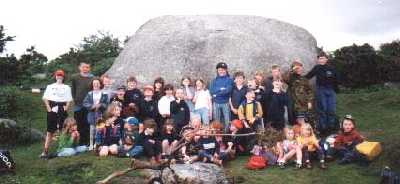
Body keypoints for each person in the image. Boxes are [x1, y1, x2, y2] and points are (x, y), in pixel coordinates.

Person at [40, 69, 73, 158]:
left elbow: (69, 99)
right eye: (58, 75)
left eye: (61, 75)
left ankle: (62, 148)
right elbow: (45, 98)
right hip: (52, 109)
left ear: (63, 77)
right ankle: (45, 150)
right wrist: (48, 108)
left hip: (62, 109)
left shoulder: (67, 87)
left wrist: (66, 107)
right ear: (55, 76)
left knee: (64, 129)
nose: (59, 77)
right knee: (50, 131)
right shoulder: (50, 86)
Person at [305, 52, 339, 134]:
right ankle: (323, 129)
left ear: (326, 59)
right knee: (322, 109)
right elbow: (308, 76)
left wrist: (335, 89)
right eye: (320, 58)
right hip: (321, 90)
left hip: (330, 90)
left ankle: (331, 127)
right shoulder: (317, 68)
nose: (321, 60)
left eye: (323, 58)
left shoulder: (331, 68)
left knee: (331, 109)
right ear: (318, 60)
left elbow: (336, 79)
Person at [83, 78, 109, 150]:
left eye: (97, 83)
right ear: (92, 85)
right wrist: (92, 106)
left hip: (100, 113)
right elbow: (85, 103)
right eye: (94, 83)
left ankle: (97, 144)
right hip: (92, 114)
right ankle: (91, 144)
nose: (96, 85)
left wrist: (100, 105)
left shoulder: (104, 94)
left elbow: (106, 104)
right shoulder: (89, 94)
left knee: (100, 129)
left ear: (100, 84)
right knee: (92, 130)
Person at [71, 62, 94, 145]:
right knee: (78, 123)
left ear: (89, 68)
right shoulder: (75, 77)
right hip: (78, 104)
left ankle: (87, 141)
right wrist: (75, 99)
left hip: (88, 104)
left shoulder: (92, 78)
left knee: (87, 122)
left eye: (87, 67)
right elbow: (73, 90)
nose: (85, 69)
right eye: (83, 67)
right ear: (79, 67)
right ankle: (79, 140)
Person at [286, 60, 314, 126]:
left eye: (300, 67)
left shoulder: (304, 79)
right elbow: (284, 77)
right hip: (294, 106)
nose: (299, 69)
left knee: (304, 123)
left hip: (303, 105)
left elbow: (310, 91)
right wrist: (292, 70)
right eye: (297, 68)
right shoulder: (290, 78)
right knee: (295, 123)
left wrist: (310, 101)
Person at [209, 62, 233, 131]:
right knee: (216, 120)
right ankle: (218, 135)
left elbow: (228, 90)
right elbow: (212, 91)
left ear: (226, 70)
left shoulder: (229, 80)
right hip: (216, 103)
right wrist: (221, 89)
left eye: (223, 69)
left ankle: (226, 134)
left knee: (227, 120)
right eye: (220, 70)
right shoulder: (214, 80)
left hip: (225, 102)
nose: (221, 71)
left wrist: (217, 93)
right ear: (217, 70)